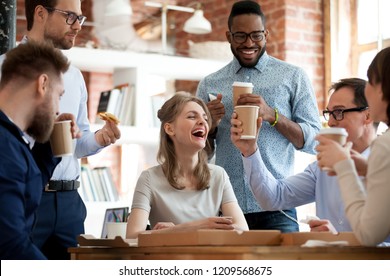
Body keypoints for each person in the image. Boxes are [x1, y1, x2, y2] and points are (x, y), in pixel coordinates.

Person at [0, 0, 121, 259]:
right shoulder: (3, 68)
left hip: (69, 200)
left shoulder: (74, 76)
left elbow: (76, 146)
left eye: (81, 18)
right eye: (70, 17)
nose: (78, 26)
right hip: (24, 196)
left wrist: (100, 138)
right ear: (41, 13)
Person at [196, 0, 321, 232]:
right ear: (228, 36)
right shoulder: (210, 84)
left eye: (256, 35)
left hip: (279, 209)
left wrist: (273, 115)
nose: (249, 43)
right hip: (228, 208)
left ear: (267, 34)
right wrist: (209, 128)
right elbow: (199, 154)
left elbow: (314, 142)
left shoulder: (293, 77)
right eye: (240, 36)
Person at [231, 78, 377, 233]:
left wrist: (341, 239)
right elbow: (274, 197)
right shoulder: (321, 168)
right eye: (329, 113)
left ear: (368, 115)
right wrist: (250, 150)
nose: (332, 122)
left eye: (339, 112)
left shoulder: (383, 165)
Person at [126, 93, 248, 238]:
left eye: (205, 118)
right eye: (192, 116)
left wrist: (177, 229)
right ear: (170, 129)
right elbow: (133, 237)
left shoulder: (218, 175)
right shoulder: (149, 179)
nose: (202, 122)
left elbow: (242, 232)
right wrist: (195, 227)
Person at [0, 41, 71, 259]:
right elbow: (11, 245)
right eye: (59, 96)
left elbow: (27, 188)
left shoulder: (13, 143)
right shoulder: (5, 147)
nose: (58, 109)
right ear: (42, 84)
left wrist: (51, 143)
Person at [316, 47, 390, 246]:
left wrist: (344, 166)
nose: (331, 122)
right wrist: (368, 170)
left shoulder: (385, 146)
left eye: (371, 82)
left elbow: (369, 235)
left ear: (383, 89)